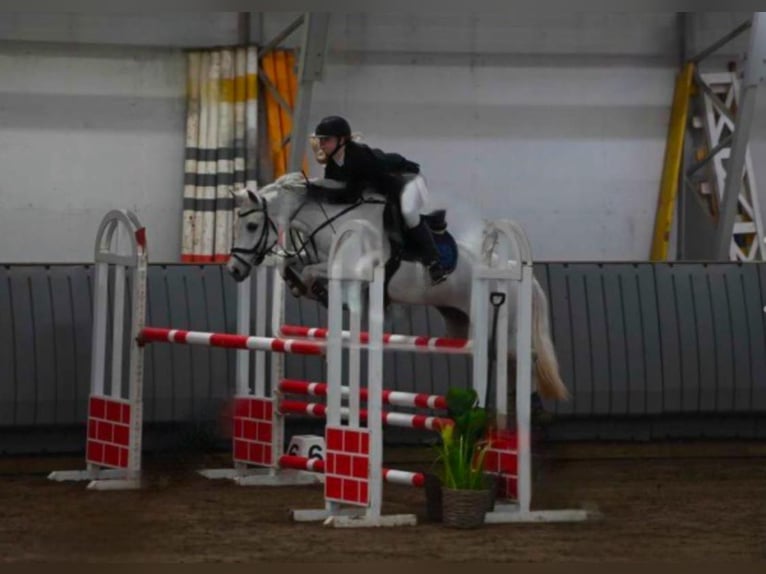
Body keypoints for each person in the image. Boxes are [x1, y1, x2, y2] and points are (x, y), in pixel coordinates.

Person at [309, 115, 448, 285]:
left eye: (326, 140)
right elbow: (336, 191)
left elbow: (350, 195)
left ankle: (434, 262)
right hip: (384, 188)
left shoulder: (358, 156)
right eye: (320, 140)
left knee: (408, 213)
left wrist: (317, 192)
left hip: (408, 179)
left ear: (342, 139)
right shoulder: (333, 163)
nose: (322, 144)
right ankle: (431, 221)